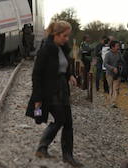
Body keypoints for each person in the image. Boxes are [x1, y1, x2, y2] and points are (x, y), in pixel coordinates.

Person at [26, 20, 82, 167]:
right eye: (64, 36)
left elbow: (64, 66)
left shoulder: (62, 48)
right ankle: (43, 146)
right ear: (56, 35)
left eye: (67, 36)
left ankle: (67, 155)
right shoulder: (46, 50)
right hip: (49, 91)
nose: (66, 39)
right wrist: (37, 98)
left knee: (67, 122)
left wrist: (69, 75)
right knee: (60, 119)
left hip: (62, 89)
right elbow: (36, 75)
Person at [102, 40, 122, 108]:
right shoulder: (108, 54)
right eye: (117, 46)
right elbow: (105, 64)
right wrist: (112, 68)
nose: (118, 47)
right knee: (111, 88)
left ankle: (113, 102)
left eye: (118, 46)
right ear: (112, 47)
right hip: (109, 74)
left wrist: (120, 66)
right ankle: (110, 101)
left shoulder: (119, 53)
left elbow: (122, 61)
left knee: (115, 88)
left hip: (117, 74)